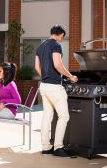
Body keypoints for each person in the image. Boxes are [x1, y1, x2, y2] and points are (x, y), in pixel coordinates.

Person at [35, 25, 78, 158]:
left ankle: (46, 147)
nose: (61, 40)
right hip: (54, 86)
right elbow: (58, 64)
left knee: (47, 116)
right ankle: (58, 147)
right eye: (62, 37)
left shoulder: (40, 46)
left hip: (43, 85)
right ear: (60, 35)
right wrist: (71, 76)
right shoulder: (56, 45)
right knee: (64, 116)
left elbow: (37, 67)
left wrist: (45, 77)